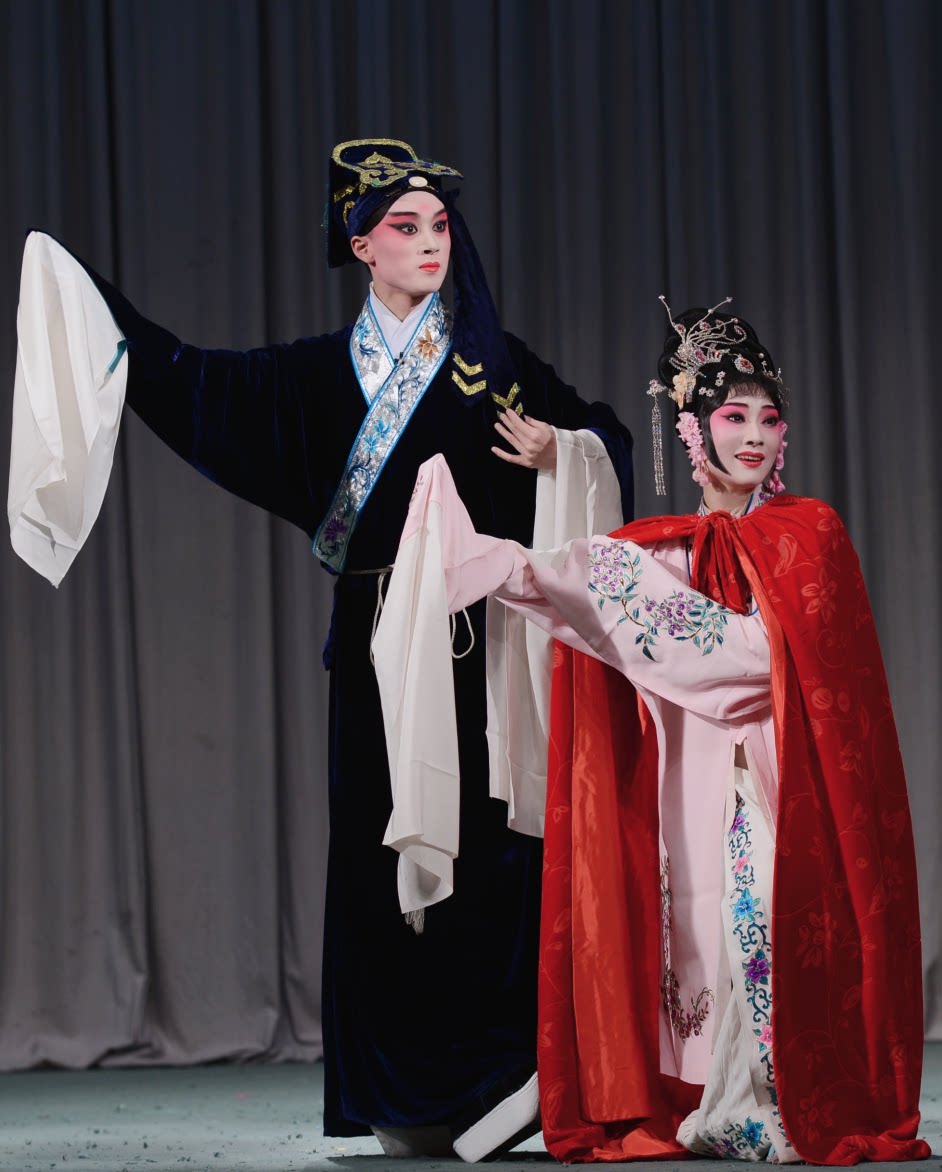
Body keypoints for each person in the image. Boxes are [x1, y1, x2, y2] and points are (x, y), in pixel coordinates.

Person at [8, 140, 634, 1160]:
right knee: (384, 863)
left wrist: (562, 448)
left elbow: (605, 433)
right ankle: (402, 1094)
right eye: (404, 227)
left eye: (439, 226)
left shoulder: (493, 362)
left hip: (478, 648)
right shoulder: (309, 377)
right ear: (361, 247)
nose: (430, 243)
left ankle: (503, 1071)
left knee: (490, 853)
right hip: (379, 650)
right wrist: (99, 314)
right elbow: (198, 387)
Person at [374, 299, 930, 1163]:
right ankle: (716, 1099)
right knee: (698, 941)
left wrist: (624, 603)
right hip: (688, 788)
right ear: (693, 431)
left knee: (764, 923)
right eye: (734, 417)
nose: (755, 436)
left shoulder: (808, 535)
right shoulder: (655, 552)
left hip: (782, 784)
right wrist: (486, 557)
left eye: (769, 418)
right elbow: (563, 584)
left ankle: (776, 1100)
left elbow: (751, 661)